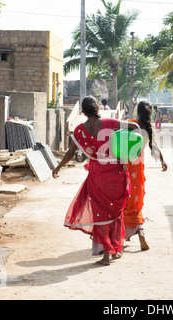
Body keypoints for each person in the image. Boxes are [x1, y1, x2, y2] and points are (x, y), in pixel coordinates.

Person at [52, 95, 140, 265]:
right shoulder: (109, 124)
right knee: (116, 212)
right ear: (97, 108)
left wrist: (58, 167)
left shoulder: (79, 130)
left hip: (97, 176)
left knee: (100, 214)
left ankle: (107, 254)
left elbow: (70, 153)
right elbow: (135, 127)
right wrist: (129, 149)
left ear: (83, 111)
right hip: (116, 173)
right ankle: (114, 251)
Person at [123, 100, 167, 250]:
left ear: (137, 111)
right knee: (135, 202)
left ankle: (120, 236)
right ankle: (140, 233)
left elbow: (115, 137)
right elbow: (153, 147)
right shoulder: (149, 129)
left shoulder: (130, 123)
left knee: (123, 200)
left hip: (124, 167)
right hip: (138, 169)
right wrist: (163, 161)